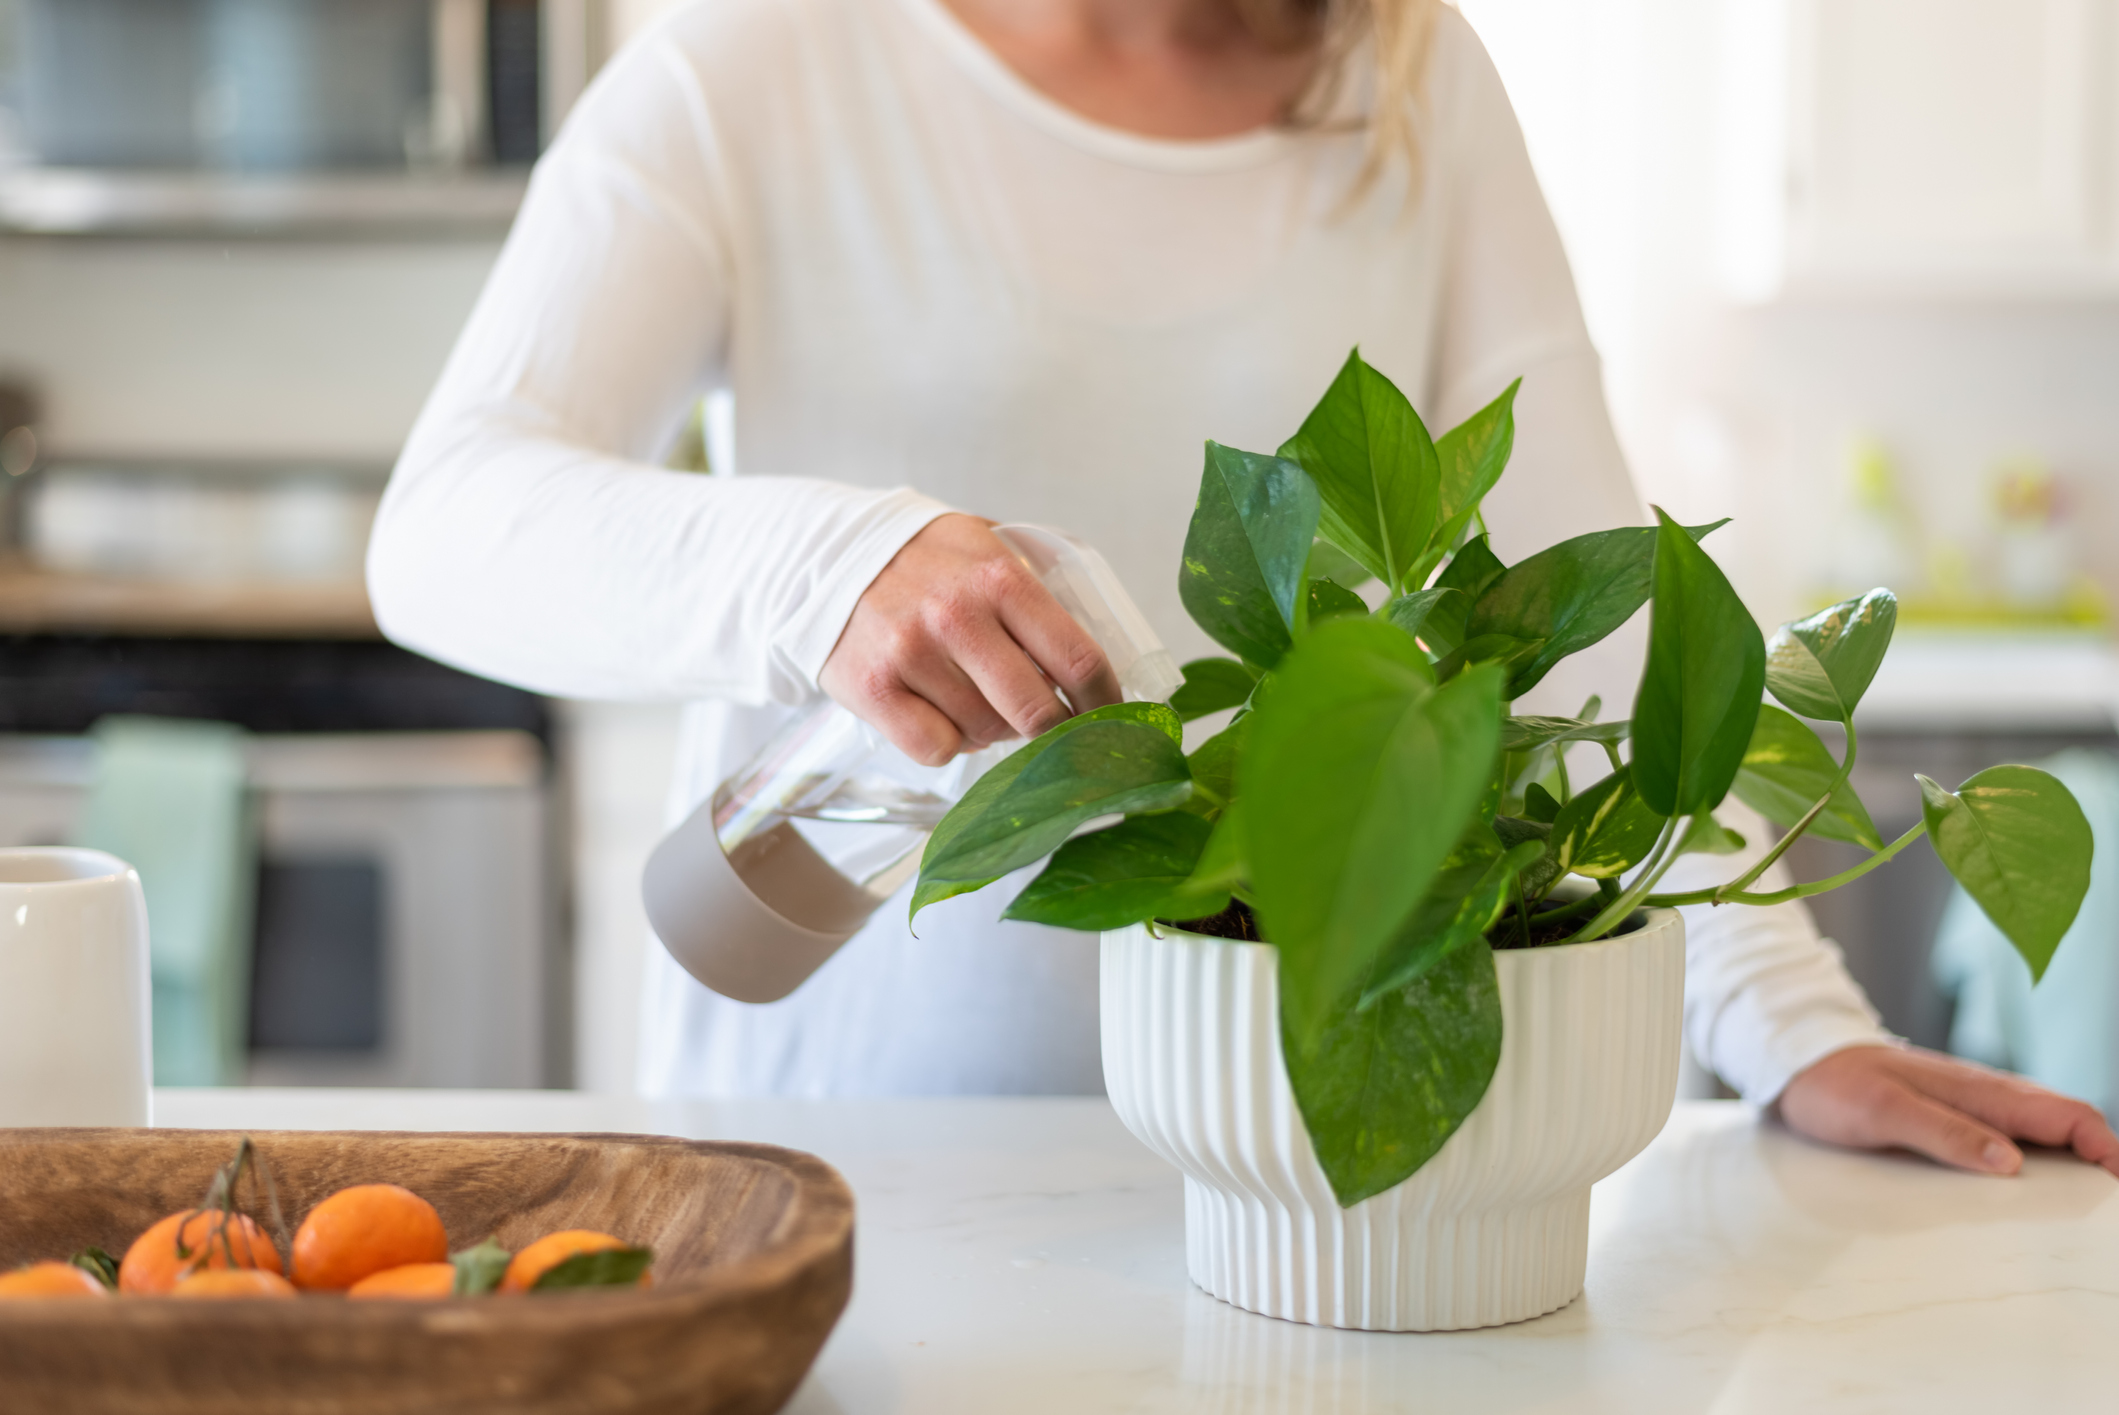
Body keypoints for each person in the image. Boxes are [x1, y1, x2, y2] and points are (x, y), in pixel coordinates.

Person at [367, 0, 2119, 1177]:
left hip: (1281, 1172)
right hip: (856, 1163)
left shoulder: (1408, 74)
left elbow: (1601, 631)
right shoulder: (760, 60)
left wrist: (1791, 1024)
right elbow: (444, 521)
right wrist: (820, 565)